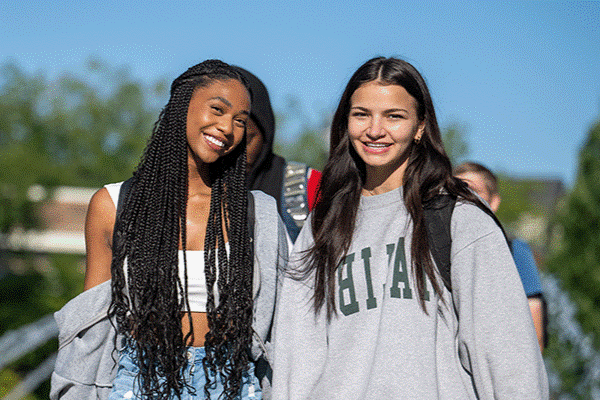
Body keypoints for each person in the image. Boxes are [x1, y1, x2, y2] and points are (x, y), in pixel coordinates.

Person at [272, 57, 548, 399]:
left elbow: (508, 358)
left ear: (420, 127)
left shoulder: (459, 217)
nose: (375, 129)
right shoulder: (325, 222)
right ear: (346, 122)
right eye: (361, 114)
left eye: (394, 116)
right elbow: (295, 355)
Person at [50, 60, 288, 400]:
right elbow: (90, 324)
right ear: (182, 105)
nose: (227, 128)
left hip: (231, 380)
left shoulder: (258, 212)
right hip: (139, 376)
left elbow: (280, 326)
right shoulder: (112, 204)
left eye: (239, 121)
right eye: (217, 109)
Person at [454, 161, 546, 351]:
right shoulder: (438, 246)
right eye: (455, 189)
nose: (463, 196)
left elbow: (534, 323)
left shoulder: (514, 251)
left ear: (494, 202)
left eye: (471, 189)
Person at [232, 66, 322, 243]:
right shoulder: (185, 191)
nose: (233, 147)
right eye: (224, 138)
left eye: (246, 139)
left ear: (265, 133)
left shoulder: (309, 188)